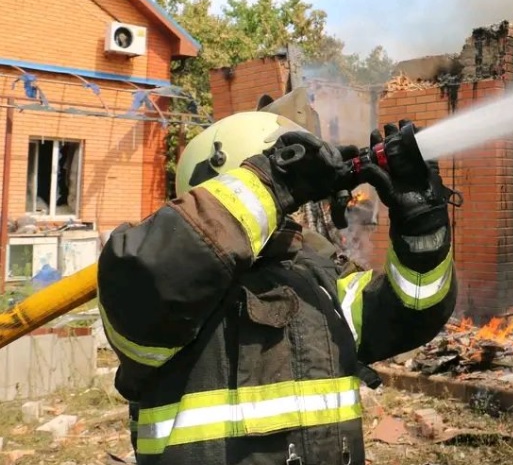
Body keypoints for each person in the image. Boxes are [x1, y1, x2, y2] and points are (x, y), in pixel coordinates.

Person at [97, 110, 457, 464]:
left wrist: (421, 227)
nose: (297, 211)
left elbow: (411, 311)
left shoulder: (319, 281)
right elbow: (156, 271)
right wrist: (273, 181)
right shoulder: (169, 290)